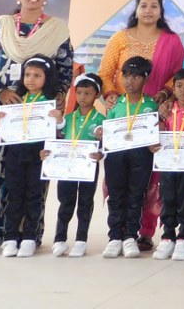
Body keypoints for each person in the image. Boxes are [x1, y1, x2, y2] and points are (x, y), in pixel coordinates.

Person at [0, 0, 73, 251]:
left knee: (33, 176)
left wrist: (55, 101)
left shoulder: (57, 29)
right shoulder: (3, 25)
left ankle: (29, 234)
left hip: (39, 115)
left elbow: (65, 71)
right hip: (3, 113)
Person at [97, 0, 184, 251]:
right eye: (143, 5)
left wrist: (164, 93)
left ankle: (144, 232)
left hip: (155, 113)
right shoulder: (119, 38)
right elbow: (105, 74)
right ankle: (118, 233)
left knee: (150, 176)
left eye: (154, 6)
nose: (148, 10)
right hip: (122, 115)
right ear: (136, 9)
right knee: (120, 176)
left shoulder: (172, 41)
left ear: (161, 11)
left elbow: (178, 75)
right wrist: (111, 95)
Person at [0, 55, 62, 257]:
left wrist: (59, 120)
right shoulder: (16, 99)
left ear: (47, 78)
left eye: (37, 75)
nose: (31, 79)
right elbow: (1, 128)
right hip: (15, 153)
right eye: (27, 74)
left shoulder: (50, 101)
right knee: (14, 195)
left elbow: (60, 129)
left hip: (38, 154)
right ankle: (10, 238)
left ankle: (29, 238)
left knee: (34, 196)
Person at [102, 57, 159, 259]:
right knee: (116, 196)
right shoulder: (115, 104)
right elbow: (107, 130)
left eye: (135, 77)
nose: (129, 81)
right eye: (126, 76)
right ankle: (114, 237)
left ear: (145, 79)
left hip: (141, 156)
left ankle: (130, 237)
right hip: (115, 156)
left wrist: (154, 143)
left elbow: (157, 131)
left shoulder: (152, 105)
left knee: (136, 196)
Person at [49, 73, 105, 258]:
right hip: (67, 168)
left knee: (85, 203)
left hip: (89, 167)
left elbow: (106, 144)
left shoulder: (100, 119)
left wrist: (101, 153)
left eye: (87, 93)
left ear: (97, 95)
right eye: (79, 93)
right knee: (65, 202)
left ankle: (81, 240)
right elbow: (58, 137)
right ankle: (60, 239)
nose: (82, 97)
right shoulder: (69, 118)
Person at [152, 68, 184, 262]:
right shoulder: (166, 110)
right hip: (168, 164)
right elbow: (156, 131)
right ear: (173, 88)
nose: (183, 90)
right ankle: (167, 236)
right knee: (168, 199)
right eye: (179, 86)